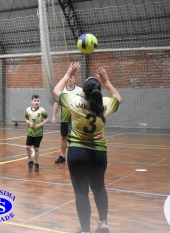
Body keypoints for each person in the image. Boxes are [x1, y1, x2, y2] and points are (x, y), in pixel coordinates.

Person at [53, 62, 122, 233]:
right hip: (99, 153)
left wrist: (68, 74)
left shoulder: (74, 101)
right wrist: (106, 82)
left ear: (83, 91)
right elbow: (118, 97)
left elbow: (56, 92)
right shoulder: (105, 104)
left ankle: (85, 230)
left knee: (81, 192)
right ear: (98, 90)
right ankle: (104, 224)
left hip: (77, 152)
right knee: (99, 187)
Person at [52, 76, 82, 164]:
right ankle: (62, 156)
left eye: (72, 78)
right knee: (63, 137)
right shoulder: (61, 91)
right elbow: (56, 104)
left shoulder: (80, 90)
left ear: (74, 80)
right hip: (65, 119)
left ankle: (77, 156)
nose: (70, 79)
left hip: (76, 119)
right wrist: (54, 116)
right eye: (69, 77)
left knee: (76, 138)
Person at [25, 94, 49, 172]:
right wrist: (30, 123)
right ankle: (30, 161)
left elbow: (47, 119)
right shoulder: (28, 109)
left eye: (38, 101)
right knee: (28, 147)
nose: (36, 102)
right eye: (35, 101)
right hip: (30, 132)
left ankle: (37, 163)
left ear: (40, 101)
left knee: (36, 148)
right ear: (31, 102)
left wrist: (40, 125)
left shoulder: (42, 110)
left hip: (38, 133)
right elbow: (26, 119)